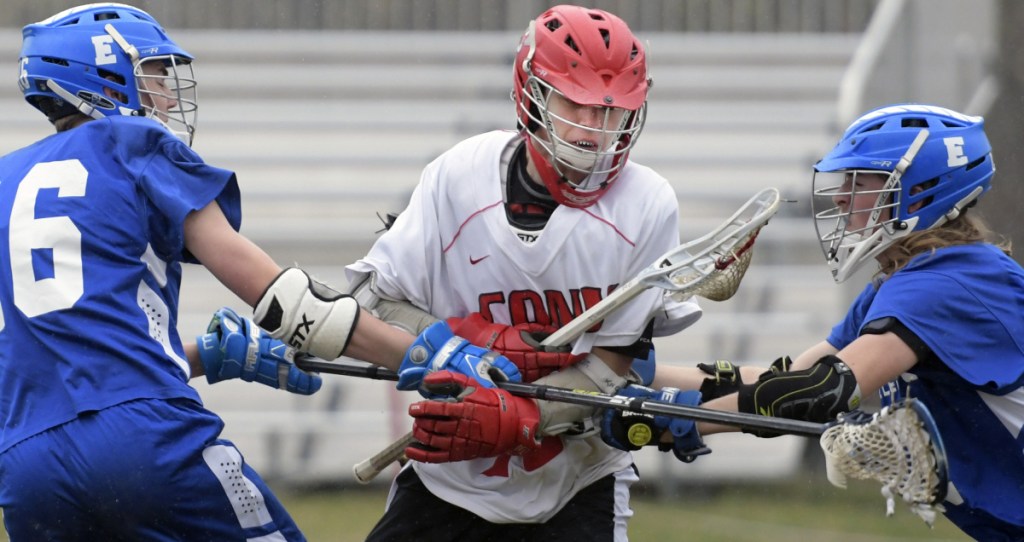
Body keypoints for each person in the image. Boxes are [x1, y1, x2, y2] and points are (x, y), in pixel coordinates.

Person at [0, 4, 520, 540]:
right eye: (154, 74)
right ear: (104, 78)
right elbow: (286, 302)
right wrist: (421, 354)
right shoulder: (131, 146)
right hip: (145, 439)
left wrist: (206, 356)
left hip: (26, 464)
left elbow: (60, 370)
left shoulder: (6, 181)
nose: (167, 92)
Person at [344, 5, 703, 541]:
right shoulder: (458, 178)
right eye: (575, 105)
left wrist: (523, 416)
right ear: (530, 93)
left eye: (611, 113)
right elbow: (373, 302)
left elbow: (614, 367)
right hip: (449, 480)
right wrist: (465, 340)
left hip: (579, 480)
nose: (594, 132)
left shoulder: (647, 204)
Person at [601, 104, 1024, 541]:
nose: (841, 196)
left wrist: (675, 421)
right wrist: (646, 377)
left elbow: (824, 391)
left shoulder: (947, 282)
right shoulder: (906, 282)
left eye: (861, 181)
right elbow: (790, 379)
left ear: (921, 191)